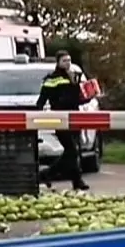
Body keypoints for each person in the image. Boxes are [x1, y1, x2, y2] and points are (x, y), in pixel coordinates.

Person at [35, 51, 90, 191]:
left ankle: (74, 181)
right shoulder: (51, 79)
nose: (67, 63)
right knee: (71, 150)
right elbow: (42, 100)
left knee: (73, 152)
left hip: (74, 118)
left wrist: (88, 96)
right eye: (64, 60)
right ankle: (47, 174)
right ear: (58, 62)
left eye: (69, 60)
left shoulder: (73, 77)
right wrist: (35, 116)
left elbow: (78, 98)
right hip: (59, 119)